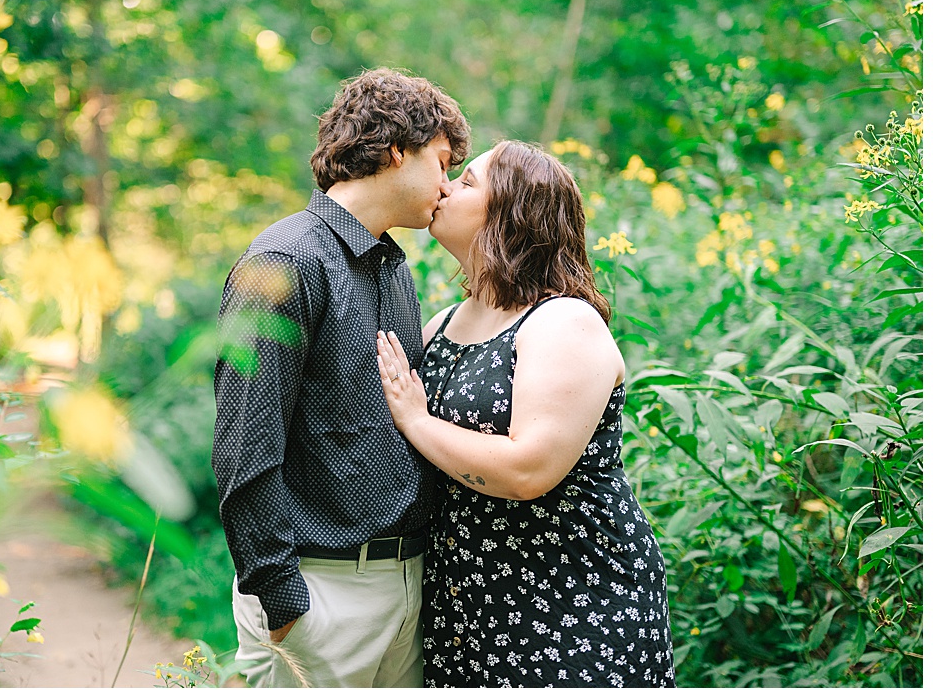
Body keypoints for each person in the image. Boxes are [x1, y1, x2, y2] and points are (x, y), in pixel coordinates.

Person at [374, 140, 675, 687]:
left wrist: (418, 421)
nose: (444, 186)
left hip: (573, 604)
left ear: (513, 215)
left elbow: (529, 469)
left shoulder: (563, 322)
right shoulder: (444, 323)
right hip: (469, 611)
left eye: (468, 182)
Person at [211, 68, 470, 688]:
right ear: (395, 151)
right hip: (318, 594)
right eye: (440, 161)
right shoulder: (285, 262)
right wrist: (283, 602)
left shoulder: (393, 267)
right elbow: (244, 445)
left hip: (404, 590)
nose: (447, 183)